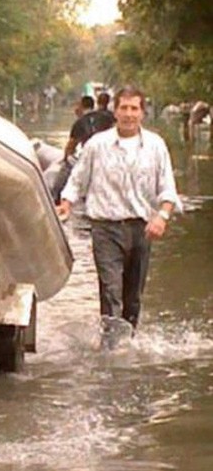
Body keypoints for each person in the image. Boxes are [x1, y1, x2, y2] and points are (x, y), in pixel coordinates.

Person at [57, 85, 180, 348]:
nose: (128, 114)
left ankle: (129, 345)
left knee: (133, 298)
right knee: (111, 291)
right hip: (105, 229)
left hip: (141, 228)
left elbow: (168, 189)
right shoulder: (97, 145)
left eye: (134, 108)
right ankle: (111, 351)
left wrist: (162, 216)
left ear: (142, 113)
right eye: (124, 107)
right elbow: (77, 180)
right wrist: (66, 204)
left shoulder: (155, 146)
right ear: (115, 111)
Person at [51, 94, 116, 203]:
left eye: (77, 106)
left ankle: (56, 199)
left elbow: (70, 147)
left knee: (63, 177)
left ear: (81, 107)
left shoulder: (80, 123)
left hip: (90, 159)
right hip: (109, 157)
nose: (75, 109)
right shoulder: (108, 117)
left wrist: (65, 160)